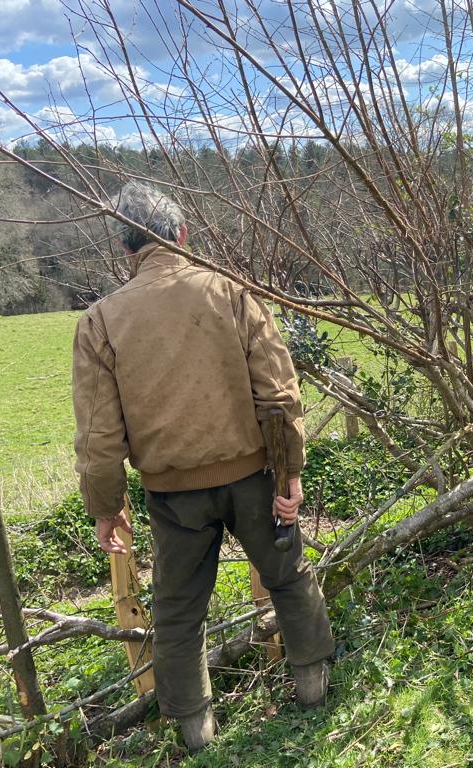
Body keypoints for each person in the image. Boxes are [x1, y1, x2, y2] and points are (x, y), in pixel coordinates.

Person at [72, 182, 334, 752]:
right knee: (288, 578)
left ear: (126, 249)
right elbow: (280, 398)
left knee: (179, 612)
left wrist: (106, 509)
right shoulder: (231, 294)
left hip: (172, 498)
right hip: (254, 482)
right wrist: (289, 476)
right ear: (182, 235)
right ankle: (313, 689)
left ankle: (197, 732)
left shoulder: (101, 321)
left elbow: (97, 437)